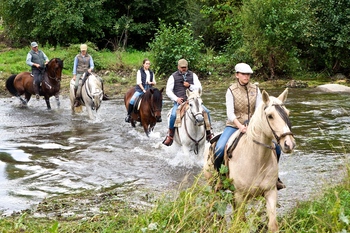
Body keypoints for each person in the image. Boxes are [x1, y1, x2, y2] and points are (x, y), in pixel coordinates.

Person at [213, 62, 285, 190]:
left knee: (277, 148)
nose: (247, 76)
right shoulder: (231, 90)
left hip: (253, 125)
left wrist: (252, 124)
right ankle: (221, 178)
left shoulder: (256, 89)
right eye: (244, 74)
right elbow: (230, 113)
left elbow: (258, 109)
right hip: (234, 125)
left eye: (248, 74)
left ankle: (275, 177)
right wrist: (240, 126)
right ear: (237, 75)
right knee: (219, 149)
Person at [162, 58, 213, 146]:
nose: (183, 69)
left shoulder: (193, 75)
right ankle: (170, 136)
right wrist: (176, 98)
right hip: (180, 102)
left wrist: (190, 85)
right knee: (173, 115)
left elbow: (199, 88)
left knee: (206, 112)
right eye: (182, 67)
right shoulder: (173, 76)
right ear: (178, 67)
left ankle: (209, 134)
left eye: (185, 67)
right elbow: (168, 91)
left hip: (193, 101)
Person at [125, 58, 156, 123]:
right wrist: (143, 90)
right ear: (143, 64)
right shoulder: (139, 71)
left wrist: (151, 83)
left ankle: (157, 115)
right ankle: (129, 115)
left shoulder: (151, 72)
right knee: (132, 100)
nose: (148, 65)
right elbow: (139, 82)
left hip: (149, 89)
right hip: (141, 89)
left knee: (159, 100)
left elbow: (154, 82)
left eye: (149, 64)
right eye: (146, 64)